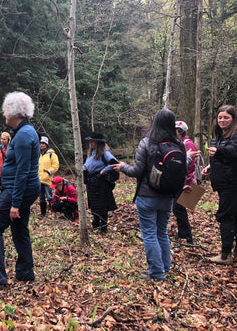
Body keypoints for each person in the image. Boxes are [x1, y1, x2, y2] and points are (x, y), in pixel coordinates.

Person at [111, 109, 185, 281]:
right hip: (168, 197)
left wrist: (122, 166)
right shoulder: (179, 144)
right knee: (162, 233)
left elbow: (136, 171)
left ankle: (157, 274)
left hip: (147, 196)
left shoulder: (147, 142)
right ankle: (165, 268)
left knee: (150, 234)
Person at [0, 92, 40, 290]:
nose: (4, 113)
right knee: (19, 228)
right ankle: (25, 273)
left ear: (15, 112)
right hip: (25, 189)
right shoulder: (26, 132)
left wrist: (14, 203)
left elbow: (22, 172)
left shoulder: (23, 136)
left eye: (6, 109)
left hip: (17, 190)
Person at [202, 105, 237, 265]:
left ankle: (225, 255)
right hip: (225, 181)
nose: (222, 120)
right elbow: (223, 156)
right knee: (236, 214)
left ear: (233, 119)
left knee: (225, 216)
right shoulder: (220, 134)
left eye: (226, 117)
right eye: (220, 117)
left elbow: (234, 151)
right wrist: (211, 166)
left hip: (233, 182)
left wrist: (219, 152)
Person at [83, 132, 118, 233]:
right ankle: (95, 224)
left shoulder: (105, 153)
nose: (90, 143)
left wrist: (104, 170)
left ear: (97, 143)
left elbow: (114, 163)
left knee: (102, 205)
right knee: (93, 204)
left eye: (92, 141)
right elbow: (88, 164)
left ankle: (103, 227)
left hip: (100, 182)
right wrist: (84, 168)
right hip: (91, 182)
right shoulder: (91, 152)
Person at [172, 121, 198, 244]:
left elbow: (190, 165)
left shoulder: (189, 144)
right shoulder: (179, 143)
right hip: (179, 180)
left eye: (175, 130)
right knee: (177, 208)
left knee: (179, 208)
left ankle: (188, 237)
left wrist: (185, 181)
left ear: (181, 131)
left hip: (186, 181)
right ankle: (182, 233)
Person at [38, 136, 59, 217]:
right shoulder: (38, 154)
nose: (41, 145)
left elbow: (56, 165)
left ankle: (53, 213)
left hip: (48, 180)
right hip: (39, 179)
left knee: (49, 197)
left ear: (46, 144)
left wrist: (49, 171)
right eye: (40, 143)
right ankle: (42, 213)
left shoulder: (51, 154)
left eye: (43, 143)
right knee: (41, 198)